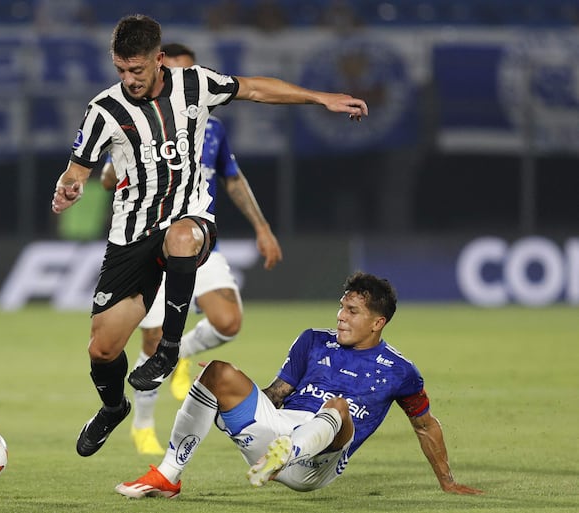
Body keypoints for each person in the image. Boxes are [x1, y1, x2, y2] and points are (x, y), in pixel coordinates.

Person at [50, 14, 367, 459]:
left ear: (159, 60)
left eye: (137, 70)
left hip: (190, 220)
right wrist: (69, 188)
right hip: (130, 238)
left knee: (181, 238)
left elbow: (255, 88)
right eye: (121, 70)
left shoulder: (194, 85)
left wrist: (319, 98)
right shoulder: (104, 109)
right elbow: (78, 169)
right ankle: (112, 407)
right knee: (102, 350)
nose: (129, 79)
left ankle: (168, 350)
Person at [116, 271, 484, 498]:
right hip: (276, 434)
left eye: (352, 312)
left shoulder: (400, 370)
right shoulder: (312, 340)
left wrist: (447, 481)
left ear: (378, 323)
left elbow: (425, 425)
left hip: (318, 461)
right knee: (216, 371)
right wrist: (225, 402)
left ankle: (284, 456)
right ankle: (168, 475)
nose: (340, 317)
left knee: (337, 408)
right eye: (341, 307)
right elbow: (276, 394)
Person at [100, 43, 284, 455]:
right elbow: (108, 178)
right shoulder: (136, 121)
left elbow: (232, 180)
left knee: (227, 321)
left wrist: (263, 227)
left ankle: (176, 351)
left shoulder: (212, 130)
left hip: (196, 238)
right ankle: (143, 424)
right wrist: (117, 166)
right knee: (149, 338)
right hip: (150, 242)